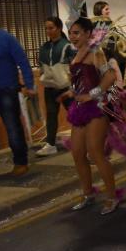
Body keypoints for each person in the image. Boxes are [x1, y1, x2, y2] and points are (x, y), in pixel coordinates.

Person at [58, 17, 120, 214]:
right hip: (79, 109)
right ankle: (88, 193)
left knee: (95, 152)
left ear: (88, 34)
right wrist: (71, 92)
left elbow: (110, 77)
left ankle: (112, 197)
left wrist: (90, 95)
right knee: (77, 152)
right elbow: (78, 81)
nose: (72, 36)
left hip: (96, 108)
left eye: (77, 33)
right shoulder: (76, 54)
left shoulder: (96, 52)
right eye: (71, 33)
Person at [0, 4, 35, 178]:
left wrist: (29, 85)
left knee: (13, 128)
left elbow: (23, 61)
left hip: (7, 91)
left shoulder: (6, 38)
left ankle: (21, 162)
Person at [37, 17, 75, 156]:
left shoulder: (68, 46)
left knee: (75, 114)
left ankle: (84, 140)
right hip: (50, 87)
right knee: (51, 115)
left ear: (59, 28)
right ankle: (50, 144)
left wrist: (73, 87)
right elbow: (41, 67)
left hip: (66, 87)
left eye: (51, 28)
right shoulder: (44, 47)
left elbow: (75, 67)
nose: (48, 31)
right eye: (46, 28)